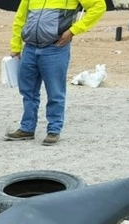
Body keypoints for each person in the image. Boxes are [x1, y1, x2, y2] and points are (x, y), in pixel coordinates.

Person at [6, 0, 106, 145]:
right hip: (30, 48)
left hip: (55, 49)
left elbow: (99, 6)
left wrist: (73, 31)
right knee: (28, 91)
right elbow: (20, 18)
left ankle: (53, 130)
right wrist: (15, 45)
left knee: (55, 92)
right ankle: (27, 128)